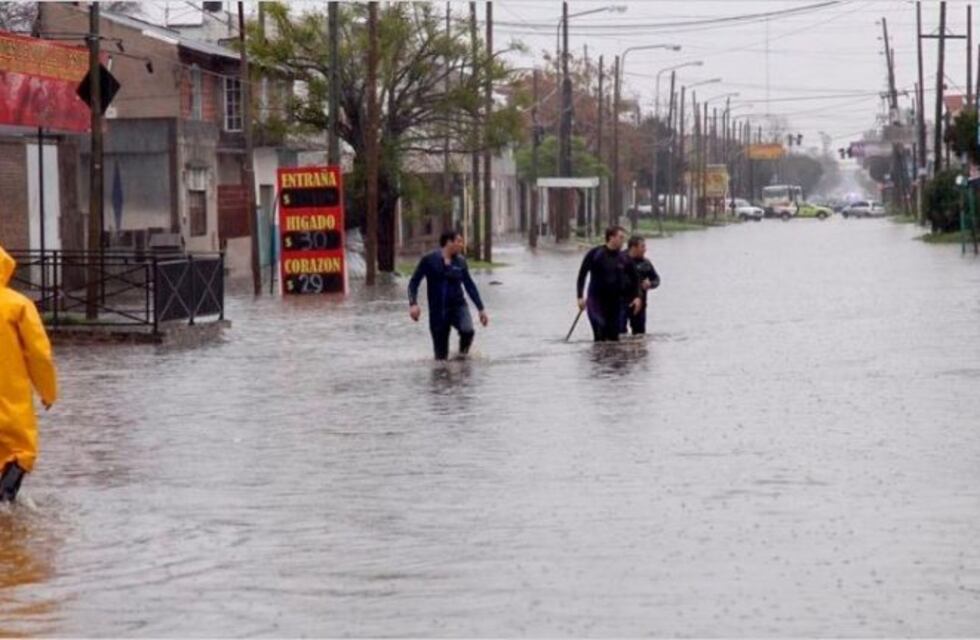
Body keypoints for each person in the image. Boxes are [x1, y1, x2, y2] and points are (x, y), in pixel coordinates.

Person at [0, 247, 57, 503]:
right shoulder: (17, 305)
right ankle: (5, 507)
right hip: (9, 396)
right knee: (21, 452)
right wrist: (48, 391)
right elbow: (39, 354)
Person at [408, 230, 489, 360]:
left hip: (458, 306)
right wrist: (413, 304)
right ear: (449, 242)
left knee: (467, 330)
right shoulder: (429, 260)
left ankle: (462, 358)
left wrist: (481, 309)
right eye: (459, 241)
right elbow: (413, 282)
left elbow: (469, 286)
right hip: (438, 312)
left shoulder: (461, 262)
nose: (462, 245)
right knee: (441, 359)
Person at [576, 226, 642, 342]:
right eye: (621, 237)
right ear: (611, 237)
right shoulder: (595, 254)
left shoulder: (624, 258)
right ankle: (598, 359)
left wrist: (637, 297)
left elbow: (636, 278)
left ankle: (611, 360)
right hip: (595, 302)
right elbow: (582, 275)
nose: (623, 241)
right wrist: (580, 297)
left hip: (615, 305)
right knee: (600, 338)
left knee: (613, 340)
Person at [621, 235, 661, 336]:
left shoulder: (646, 263)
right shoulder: (620, 259)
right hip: (621, 303)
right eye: (642, 247)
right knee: (619, 334)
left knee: (639, 334)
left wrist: (650, 284)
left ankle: (639, 350)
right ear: (633, 248)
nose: (645, 249)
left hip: (640, 304)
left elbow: (656, 279)